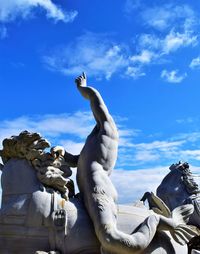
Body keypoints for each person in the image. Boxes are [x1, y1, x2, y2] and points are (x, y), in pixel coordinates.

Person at [51, 73, 195, 254]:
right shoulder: (92, 141)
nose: (97, 113)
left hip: (98, 188)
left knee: (110, 240)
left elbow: (96, 99)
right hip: (86, 192)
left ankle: (156, 221)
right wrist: (62, 152)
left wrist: (84, 87)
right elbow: (76, 161)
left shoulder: (107, 130)